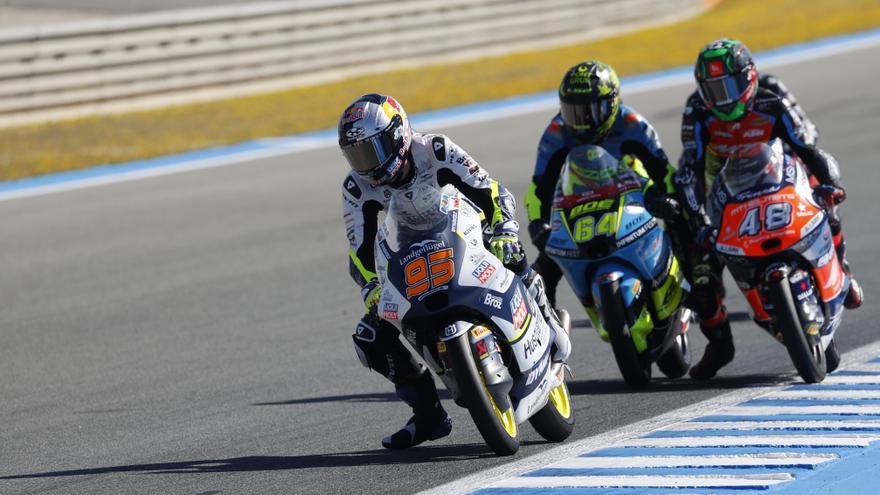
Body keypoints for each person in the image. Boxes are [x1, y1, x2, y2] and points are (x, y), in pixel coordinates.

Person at [339, 93, 571, 449]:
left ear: (397, 135)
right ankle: (429, 416)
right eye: (356, 155)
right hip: (411, 256)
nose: (365, 163)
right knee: (369, 337)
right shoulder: (357, 187)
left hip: (463, 230)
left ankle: (547, 318)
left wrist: (505, 229)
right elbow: (359, 251)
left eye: (371, 149)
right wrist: (370, 286)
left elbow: (489, 190)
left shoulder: (435, 150)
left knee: (510, 253)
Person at [677, 38, 863, 380]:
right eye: (713, 89)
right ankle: (720, 344)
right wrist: (698, 220)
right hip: (725, 196)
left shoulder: (771, 100)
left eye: (729, 86)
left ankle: (844, 273)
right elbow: (688, 169)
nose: (722, 97)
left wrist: (828, 185)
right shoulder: (698, 112)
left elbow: (806, 146)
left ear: (750, 78)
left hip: (779, 179)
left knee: (825, 199)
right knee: (701, 281)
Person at [525, 60, 682, 314]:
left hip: (634, 194)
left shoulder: (631, 123)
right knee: (542, 270)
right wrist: (537, 223)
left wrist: (671, 198)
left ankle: (695, 284)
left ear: (611, 104)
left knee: (684, 220)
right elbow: (538, 188)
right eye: (572, 112)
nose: (580, 122)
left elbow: (663, 169)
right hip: (579, 203)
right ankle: (546, 326)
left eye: (590, 112)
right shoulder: (556, 132)